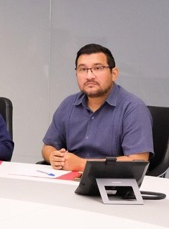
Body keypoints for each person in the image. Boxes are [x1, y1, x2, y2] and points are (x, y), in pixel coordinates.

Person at [42, 43, 152, 172]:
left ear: (114, 73)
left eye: (98, 68)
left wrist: (82, 164)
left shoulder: (133, 108)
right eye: (83, 69)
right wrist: (53, 156)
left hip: (112, 181)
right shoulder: (68, 104)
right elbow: (48, 146)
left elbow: (138, 160)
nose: (89, 76)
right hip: (68, 178)